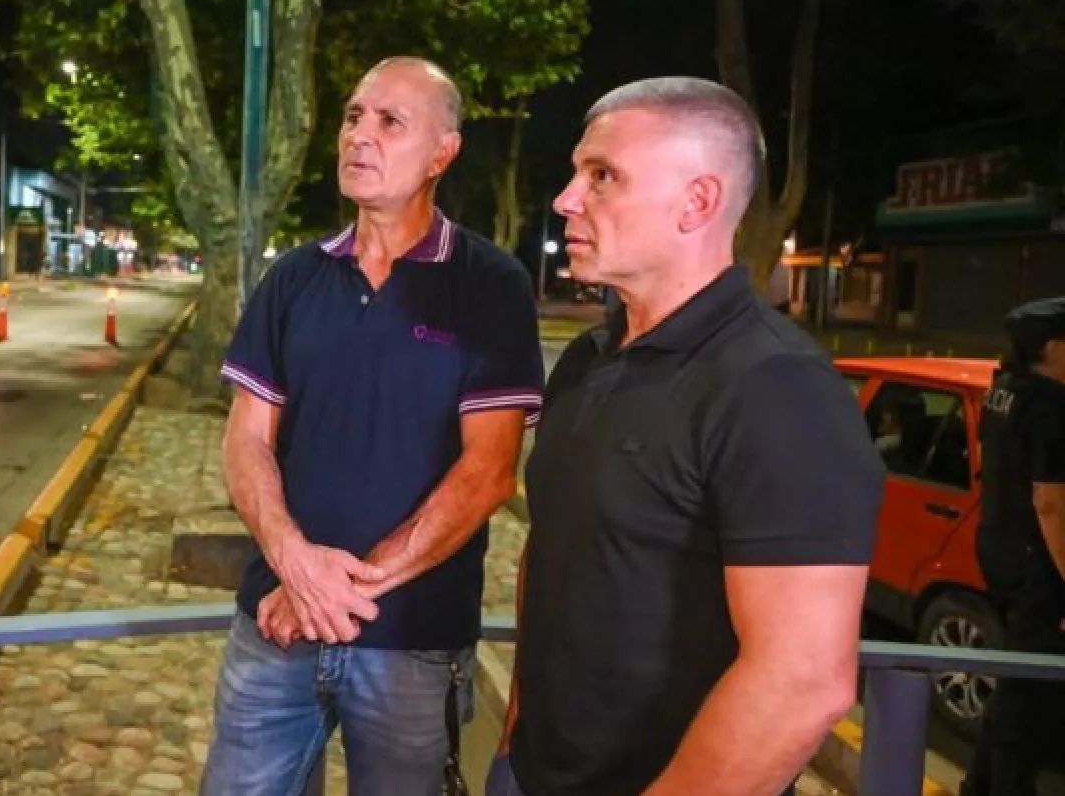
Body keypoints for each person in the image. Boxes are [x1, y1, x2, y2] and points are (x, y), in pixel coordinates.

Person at [489, 77, 885, 796]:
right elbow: (555, 553)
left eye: (601, 176)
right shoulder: (585, 360)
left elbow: (803, 681)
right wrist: (517, 732)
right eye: (577, 173)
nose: (567, 200)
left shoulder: (777, 387)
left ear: (697, 201)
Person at [199, 56, 545, 796]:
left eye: (391, 122)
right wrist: (294, 563)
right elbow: (246, 440)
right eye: (354, 116)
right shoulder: (294, 278)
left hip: (411, 644)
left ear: (442, 154)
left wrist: (331, 594)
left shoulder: (491, 285)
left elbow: (489, 472)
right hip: (275, 628)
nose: (360, 134)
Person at [960, 297, 1065, 796]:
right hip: (1039, 565)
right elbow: (1050, 502)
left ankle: (980, 786)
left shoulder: (1003, 391)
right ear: (1052, 347)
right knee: (1025, 695)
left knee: (1015, 680)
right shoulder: (1053, 405)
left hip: (1000, 551)